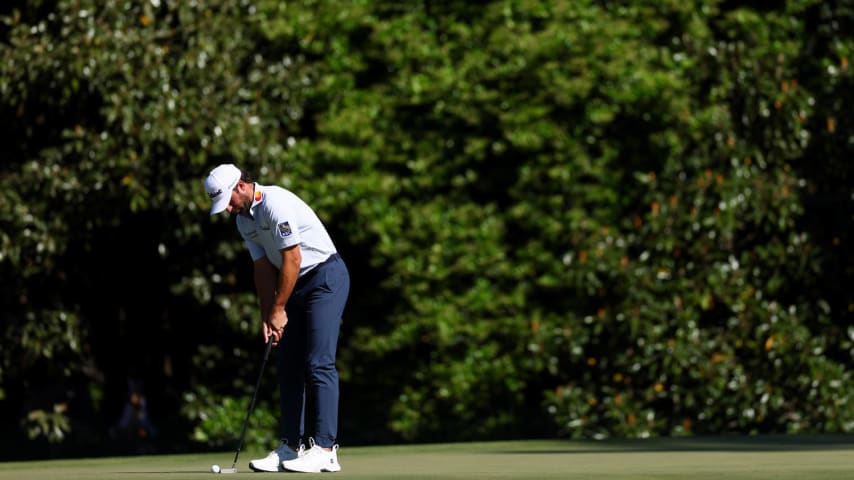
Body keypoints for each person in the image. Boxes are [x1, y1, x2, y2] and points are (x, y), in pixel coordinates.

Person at [204, 163, 350, 473]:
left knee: (318, 362)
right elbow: (262, 269)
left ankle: (325, 449)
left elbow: (292, 257)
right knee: (287, 364)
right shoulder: (244, 221)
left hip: (325, 277)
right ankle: (290, 447)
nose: (228, 209)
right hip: (293, 285)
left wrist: (279, 308)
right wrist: (268, 314)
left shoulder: (275, 204)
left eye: (228, 200)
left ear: (242, 186)